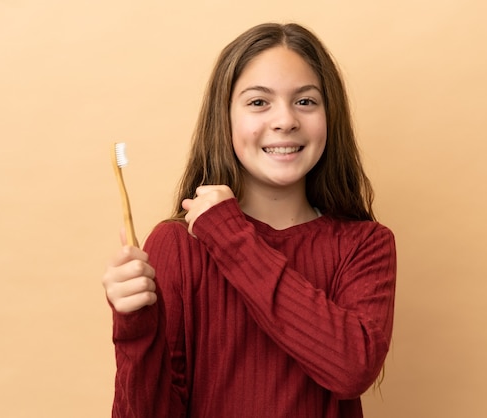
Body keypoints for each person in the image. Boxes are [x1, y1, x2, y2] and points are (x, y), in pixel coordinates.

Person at [102, 22, 396, 418]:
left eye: (306, 102)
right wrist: (136, 330)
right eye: (259, 102)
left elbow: (352, 369)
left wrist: (231, 237)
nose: (285, 120)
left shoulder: (365, 244)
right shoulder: (177, 245)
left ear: (331, 116)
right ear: (224, 118)